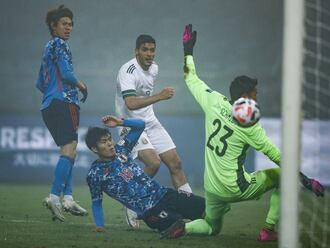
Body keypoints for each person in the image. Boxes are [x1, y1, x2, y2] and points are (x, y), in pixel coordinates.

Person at [160, 24, 325, 240]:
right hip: (235, 187)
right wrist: (306, 180)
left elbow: (190, 78)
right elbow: (276, 156)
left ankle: (186, 227)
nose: (256, 97)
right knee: (282, 176)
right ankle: (268, 230)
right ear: (247, 95)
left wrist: (187, 50)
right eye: (255, 93)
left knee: (211, 226)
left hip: (211, 187)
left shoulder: (214, 102)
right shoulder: (249, 125)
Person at [115, 34, 193, 227]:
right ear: (136, 51)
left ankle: (190, 207)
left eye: (152, 50)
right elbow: (131, 103)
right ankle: (132, 202)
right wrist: (160, 96)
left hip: (150, 122)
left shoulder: (154, 68)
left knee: (175, 163)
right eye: (145, 50)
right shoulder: (128, 71)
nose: (150, 54)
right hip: (131, 125)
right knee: (153, 163)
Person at [85, 115, 205, 236]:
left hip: (166, 194)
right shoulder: (95, 174)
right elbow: (96, 202)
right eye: (104, 142)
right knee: (178, 227)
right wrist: (99, 226)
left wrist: (120, 122)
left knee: (208, 209)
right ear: (95, 149)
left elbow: (140, 125)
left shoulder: (121, 149)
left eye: (110, 139)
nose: (110, 144)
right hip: (151, 211)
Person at [36, 5, 88, 221]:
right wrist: (81, 85)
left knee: (70, 151)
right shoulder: (60, 44)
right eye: (64, 24)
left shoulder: (48, 47)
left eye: (70, 24)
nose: (68, 28)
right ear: (53, 26)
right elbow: (66, 74)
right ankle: (54, 196)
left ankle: (67, 197)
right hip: (64, 102)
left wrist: (52, 92)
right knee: (69, 149)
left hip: (48, 105)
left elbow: (39, 83)